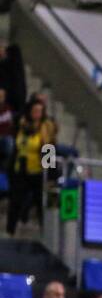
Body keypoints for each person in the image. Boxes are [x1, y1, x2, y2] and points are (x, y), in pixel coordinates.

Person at [7, 97, 57, 235]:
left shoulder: (45, 128)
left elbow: (49, 149)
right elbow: (16, 147)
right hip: (20, 168)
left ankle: (46, 233)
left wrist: (49, 174)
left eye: (40, 111)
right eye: (35, 111)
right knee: (15, 200)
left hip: (37, 171)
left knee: (41, 202)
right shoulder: (22, 125)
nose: (37, 114)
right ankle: (10, 230)